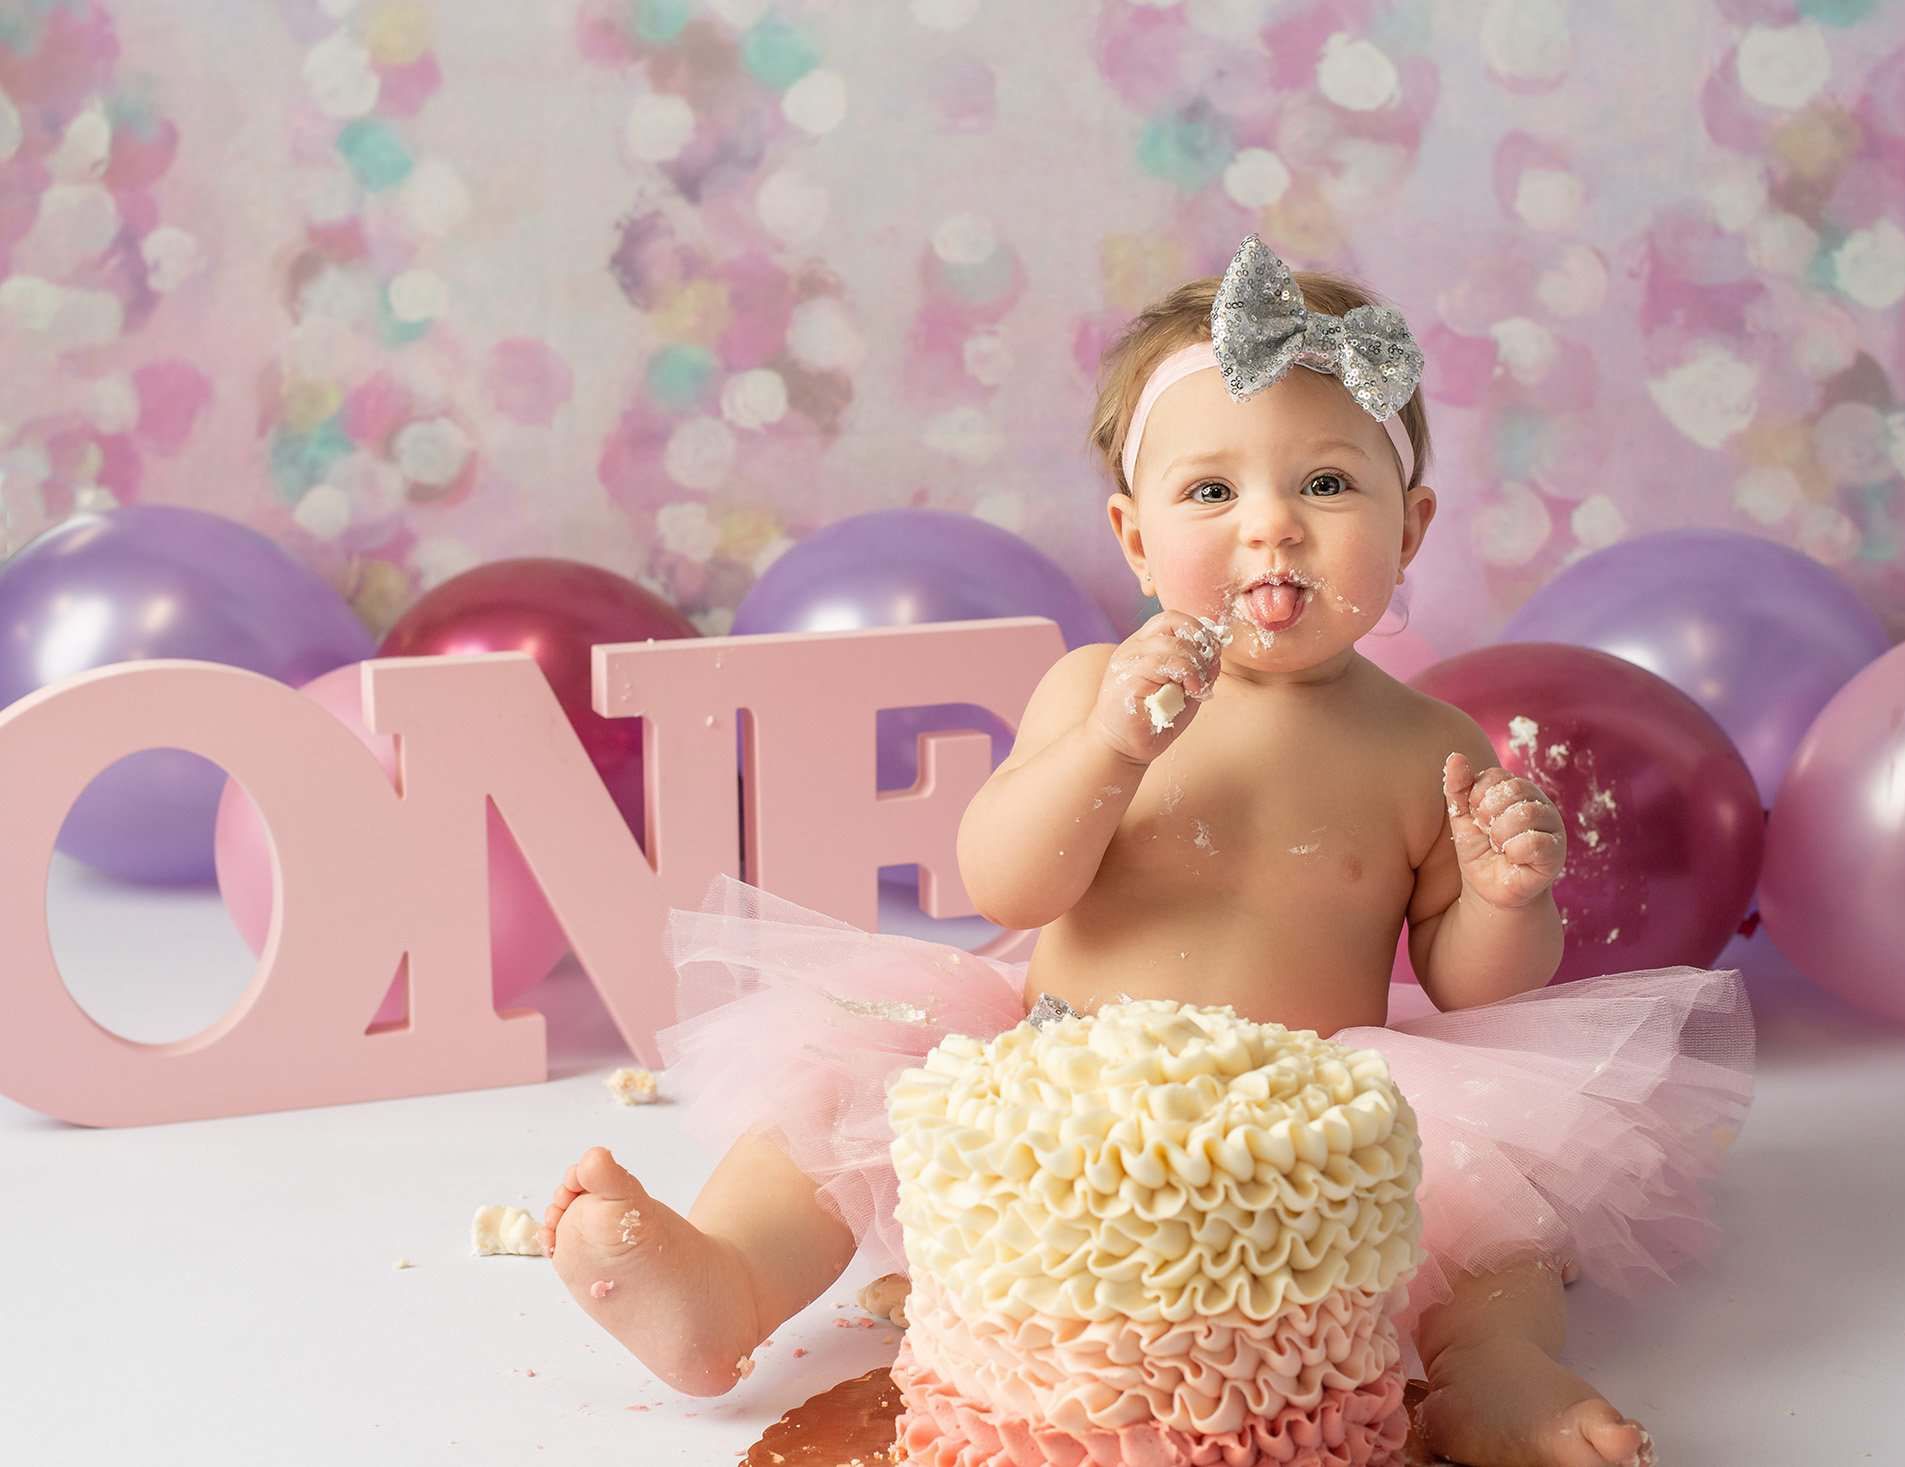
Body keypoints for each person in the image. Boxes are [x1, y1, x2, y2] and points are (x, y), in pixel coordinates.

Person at [538, 235, 1749, 1467]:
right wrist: (1108, 752)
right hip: (1051, 1079)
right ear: (1130, 535)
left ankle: (1493, 1369)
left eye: (1326, 486)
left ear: (1412, 522)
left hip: (1303, 1122)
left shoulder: (1420, 742)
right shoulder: (1091, 690)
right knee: (841, 1104)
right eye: (1211, 492)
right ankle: (728, 1285)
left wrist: (1503, 896)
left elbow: (1467, 984)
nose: (1271, 528)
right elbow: (1003, 883)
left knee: (1492, 1217)